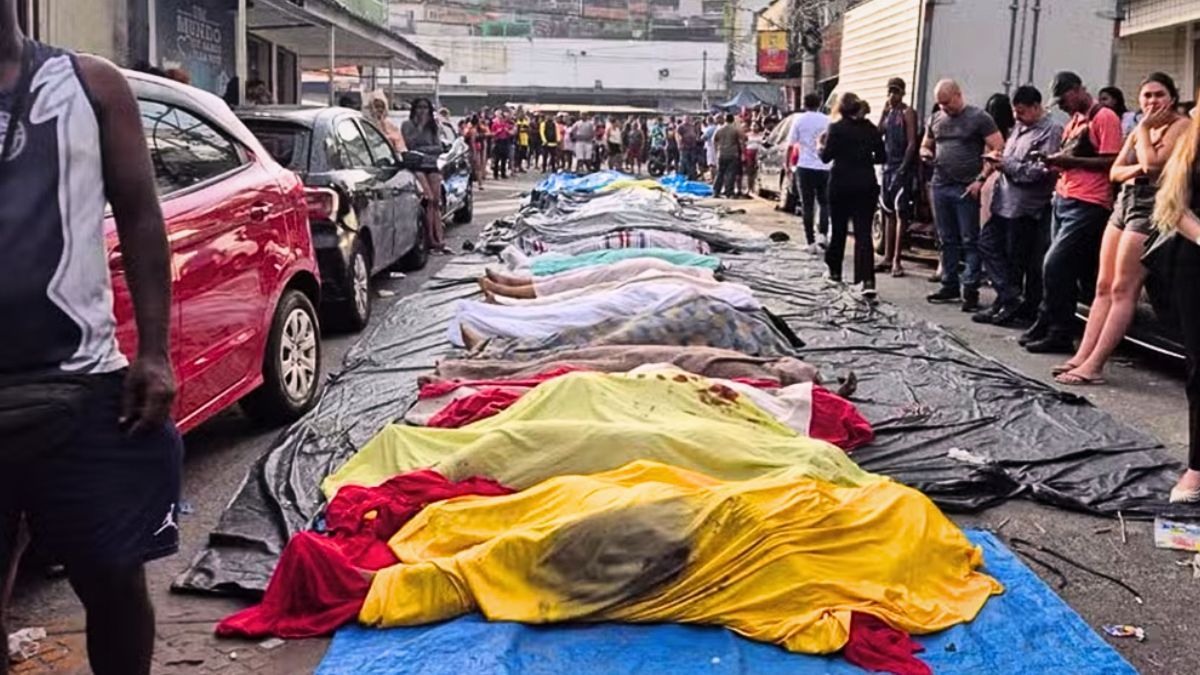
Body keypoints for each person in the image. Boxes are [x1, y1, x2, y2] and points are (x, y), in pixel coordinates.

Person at [0, 3, 182, 672]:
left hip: (80, 387)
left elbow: (140, 213)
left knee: (112, 577)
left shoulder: (91, 86)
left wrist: (156, 352)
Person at [1053, 73, 1190, 384]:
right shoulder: (1143, 130)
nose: (1152, 101)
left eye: (1159, 94)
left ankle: (1095, 366)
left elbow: (1155, 166)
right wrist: (1141, 164)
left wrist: (1142, 134)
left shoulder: (1181, 127)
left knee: (1123, 288)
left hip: (1152, 208)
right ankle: (1082, 356)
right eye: (1147, 96)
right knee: (1103, 285)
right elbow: (1116, 171)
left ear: (1172, 96)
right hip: (1124, 204)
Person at [1021, 71, 1123, 354]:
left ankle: (1060, 331)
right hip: (1065, 198)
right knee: (1056, 268)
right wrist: (1051, 161)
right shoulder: (1075, 121)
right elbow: (1071, 158)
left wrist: (1068, 161)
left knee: (1055, 265)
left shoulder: (1104, 117)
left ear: (1078, 89)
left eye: (1064, 98)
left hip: (1089, 202)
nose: (1063, 105)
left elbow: (1111, 161)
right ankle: (1048, 322)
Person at [974, 85, 1062, 327]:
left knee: (1016, 259)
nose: (1017, 117)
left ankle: (1012, 304)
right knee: (987, 244)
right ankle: (1008, 297)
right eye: (1015, 112)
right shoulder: (1019, 129)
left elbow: (1039, 171)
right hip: (1003, 202)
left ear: (1036, 107)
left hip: (1026, 207)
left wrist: (1007, 164)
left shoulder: (1050, 132)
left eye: (1022, 112)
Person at [1151, 84, 1200, 503]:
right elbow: (1172, 205)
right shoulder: (1191, 141)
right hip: (1195, 262)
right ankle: (1197, 467)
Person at [920, 79, 1006, 312]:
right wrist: (926, 152)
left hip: (965, 186)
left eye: (947, 103)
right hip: (940, 184)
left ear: (958, 95)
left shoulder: (979, 118)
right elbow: (925, 144)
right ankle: (949, 283)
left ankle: (970, 289)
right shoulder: (936, 119)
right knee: (946, 238)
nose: (944, 108)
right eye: (940, 104)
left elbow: (997, 148)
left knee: (970, 239)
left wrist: (981, 178)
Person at [820, 93, 885, 299]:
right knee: (863, 233)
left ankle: (835, 272)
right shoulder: (871, 128)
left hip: (840, 184)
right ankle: (866, 280)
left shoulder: (836, 128)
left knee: (838, 230)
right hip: (865, 184)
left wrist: (820, 145)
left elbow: (826, 157)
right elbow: (882, 156)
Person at [877, 77, 918, 277]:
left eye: (896, 91)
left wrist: (903, 168)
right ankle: (887, 256)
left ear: (902, 93)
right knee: (887, 212)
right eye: (890, 91)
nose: (892, 95)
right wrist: (883, 113)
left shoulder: (907, 113)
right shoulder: (890, 112)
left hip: (900, 167)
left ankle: (897, 260)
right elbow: (878, 133)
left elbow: (912, 142)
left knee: (900, 211)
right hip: (887, 167)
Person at [402, 97, 452, 255]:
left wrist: (423, 149)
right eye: (419, 107)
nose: (422, 111)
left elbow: (438, 148)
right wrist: (420, 127)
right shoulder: (407, 125)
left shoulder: (433, 127)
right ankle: (430, 238)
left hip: (432, 165)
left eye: (425, 108)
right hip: (417, 165)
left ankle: (439, 239)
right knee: (429, 199)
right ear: (414, 109)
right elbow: (409, 145)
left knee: (436, 202)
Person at [789, 92, 832, 250]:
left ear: (804, 103)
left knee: (807, 205)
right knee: (824, 203)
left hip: (805, 166)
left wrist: (788, 165)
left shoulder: (799, 120)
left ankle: (810, 242)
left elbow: (792, 143)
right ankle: (823, 235)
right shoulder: (827, 120)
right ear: (820, 103)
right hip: (824, 166)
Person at [712, 114, 745, 198]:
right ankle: (729, 192)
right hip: (732, 154)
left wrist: (717, 150)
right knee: (731, 174)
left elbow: (714, 140)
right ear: (733, 120)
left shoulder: (719, 129)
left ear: (725, 119)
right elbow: (743, 138)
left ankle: (716, 191)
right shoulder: (735, 130)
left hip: (721, 153)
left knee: (720, 173)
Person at [490, 109, 514, 179]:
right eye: (500, 117)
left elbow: (511, 132)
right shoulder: (495, 124)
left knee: (504, 158)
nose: (501, 118)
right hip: (498, 141)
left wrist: (508, 131)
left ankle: (503, 173)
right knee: (497, 159)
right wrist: (497, 131)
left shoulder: (506, 125)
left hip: (505, 141)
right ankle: (495, 174)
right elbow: (492, 134)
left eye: (502, 117)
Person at [742, 121, 763, 197]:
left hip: (759, 154)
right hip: (749, 154)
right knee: (750, 172)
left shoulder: (762, 134)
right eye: (753, 126)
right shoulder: (747, 135)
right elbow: (743, 145)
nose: (754, 127)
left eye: (756, 126)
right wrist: (743, 155)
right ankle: (749, 188)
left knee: (757, 172)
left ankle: (755, 188)